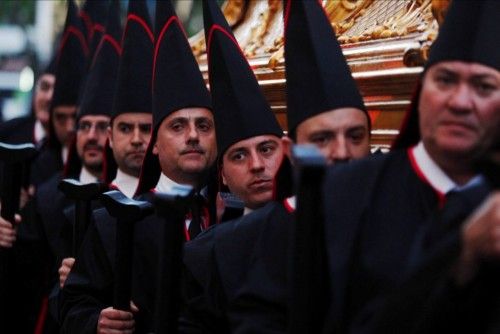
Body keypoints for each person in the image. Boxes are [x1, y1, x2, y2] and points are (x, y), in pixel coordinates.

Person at [179, 0, 371, 332]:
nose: (341, 152)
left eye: (355, 135)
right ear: (292, 150)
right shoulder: (223, 252)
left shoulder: (405, 215)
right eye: (323, 139)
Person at [319, 0, 500, 332]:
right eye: (445, 80)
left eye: (483, 86)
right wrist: (463, 253)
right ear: (422, 90)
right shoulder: (342, 195)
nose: (460, 102)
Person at [59, 1, 216, 332]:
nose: (192, 136)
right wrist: (97, 322)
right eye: (177, 126)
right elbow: (72, 309)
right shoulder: (115, 223)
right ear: (155, 146)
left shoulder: (234, 214)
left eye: (204, 125)